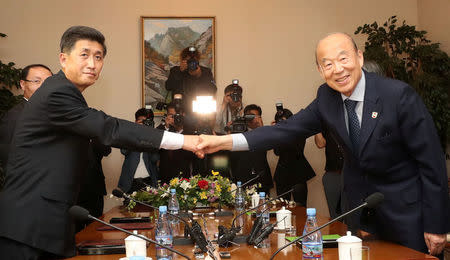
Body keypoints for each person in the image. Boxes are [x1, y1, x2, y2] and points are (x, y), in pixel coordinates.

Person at [197, 33, 449, 256]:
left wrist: (437, 226)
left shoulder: (397, 95)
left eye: (343, 59)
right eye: (327, 64)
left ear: (359, 58)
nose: (337, 69)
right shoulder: (327, 98)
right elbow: (285, 130)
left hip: (408, 217)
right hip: (361, 217)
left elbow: (432, 163)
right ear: (320, 70)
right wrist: (223, 141)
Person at [0, 26, 200, 259]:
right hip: (28, 226)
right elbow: (109, 128)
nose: (93, 64)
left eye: (99, 57)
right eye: (84, 55)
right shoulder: (56, 92)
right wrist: (184, 140)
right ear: (63, 59)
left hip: (42, 223)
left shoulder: (66, 92)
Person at [0, 64, 53, 166]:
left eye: (48, 82)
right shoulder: (13, 116)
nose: (43, 86)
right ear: (23, 84)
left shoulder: (56, 112)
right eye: (37, 81)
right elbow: (9, 157)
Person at [273, 109, 315, 206]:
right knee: (282, 206)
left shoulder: (299, 132)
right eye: (280, 121)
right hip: (282, 173)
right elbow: (277, 152)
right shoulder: (277, 134)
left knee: (301, 206)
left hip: (298, 172)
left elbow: (297, 150)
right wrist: (275, 133)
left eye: (285, 121)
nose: (283, 123)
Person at [229, 104, 273, 194]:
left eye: (256, 116)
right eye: (250, 116)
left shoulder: (264, 132)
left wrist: (261, 126)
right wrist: (230, 133)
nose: (253, 119)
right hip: (242, 177)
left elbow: (269, 145)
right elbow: (231, 153)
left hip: (262, 177)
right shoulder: (238, 130)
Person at [117, 108, 160, 193]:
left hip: (149, 181)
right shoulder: (129, 134)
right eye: (141, 121)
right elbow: (124, 151)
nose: (143, 124)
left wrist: (150, 136)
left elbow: (154, 158)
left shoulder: (153, 137)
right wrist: (135, 133)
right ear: (135, 121)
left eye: (146, 122)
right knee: (129, 206)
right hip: (130, 182)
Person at [165, 46, 216, 116]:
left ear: (198, 60)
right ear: (183, 61)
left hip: (201, 111)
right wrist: (180, 72)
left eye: (193, 61)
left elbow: (213, 90)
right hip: (180, 110)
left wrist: (199, 75)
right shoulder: (176, 71)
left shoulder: (205, 72)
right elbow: (168, 86)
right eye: (188, 61)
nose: (191, 64)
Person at [75, 138, 111, 232]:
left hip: (95, 189)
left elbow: (106, 151)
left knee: (95, 226)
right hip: (76, 190)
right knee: (76, 228)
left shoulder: (95, 139)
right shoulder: (73, 137)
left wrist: (96, 133)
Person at [157, 102, 194, 183]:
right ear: (167, 116)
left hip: (184, 177)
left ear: (183, 115)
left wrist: (179, 129)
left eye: (177, 115)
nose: (175, 118)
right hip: (165, 176)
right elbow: (156, 148)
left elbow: (191, 155)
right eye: (171, 115)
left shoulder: (190, 131)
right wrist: (166, 128)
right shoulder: (161, 129)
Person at [314, 129, 344, 219]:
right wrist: (316, 127)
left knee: (352, 214)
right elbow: (320, 144)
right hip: (333, 174)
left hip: (352, 174)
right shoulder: (325, 121)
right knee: (335, 216)